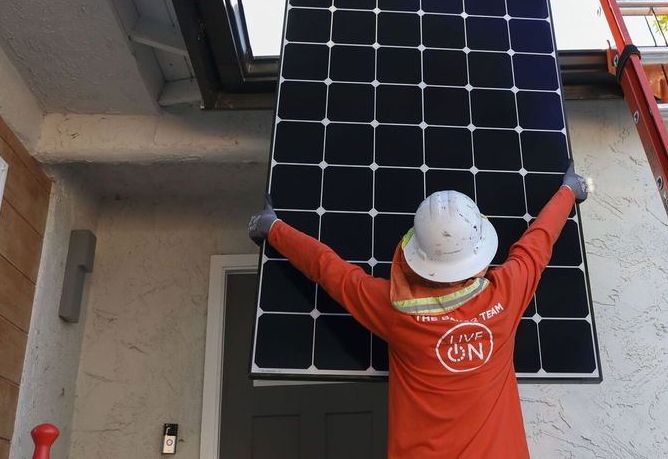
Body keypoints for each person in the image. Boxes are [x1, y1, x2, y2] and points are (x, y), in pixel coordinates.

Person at [249, 163, 591, 458]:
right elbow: (538, 242)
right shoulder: (505, 297)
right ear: (478, 254)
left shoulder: (395, 311)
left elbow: (330, 270)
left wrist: (273, 228)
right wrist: (568, 191)